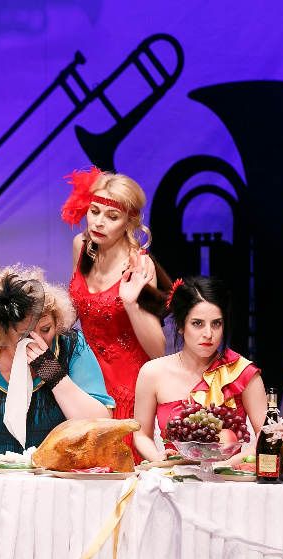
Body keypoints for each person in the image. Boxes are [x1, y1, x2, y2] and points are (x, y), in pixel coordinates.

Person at [0, 265, 113, 459]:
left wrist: (53, 374)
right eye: (24, 334)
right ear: (2, 331)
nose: (37, 340)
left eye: (46, 329)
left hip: (55, 472)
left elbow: (101, 426)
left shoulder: (71, 347)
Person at [63, 167, 170, 434]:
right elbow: (74, 309)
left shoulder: (139, 265)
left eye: (112, 216)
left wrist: (131, 304)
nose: (99, 222)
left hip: (126, 389)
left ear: (129, 222)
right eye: (94, 211)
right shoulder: (81, 246)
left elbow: (158, 351)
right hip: (85, 381)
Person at [133, 276, 267, 464]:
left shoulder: (242, 372)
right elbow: (141, 435)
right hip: (173, 475)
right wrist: (159, 458)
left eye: (216, 323)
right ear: (181, 325)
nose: (208, 334)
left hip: (228, 476)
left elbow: (267, 437)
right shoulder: (152, 373)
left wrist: (229, 464)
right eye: (197, 323)